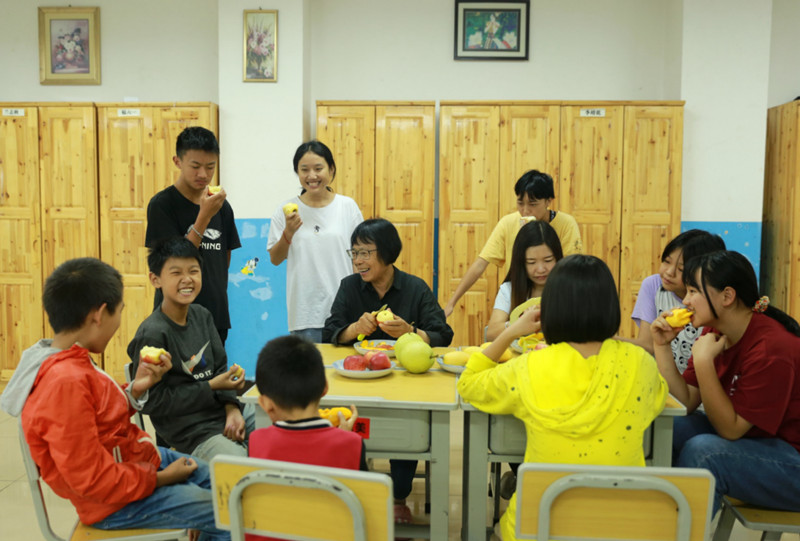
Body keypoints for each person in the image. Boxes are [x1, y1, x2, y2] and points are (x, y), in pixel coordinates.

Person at [1, 258, 229, 539]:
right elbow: (91, 479)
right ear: (99, 314)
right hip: (115, 504)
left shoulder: (72, 361)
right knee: (228, 511)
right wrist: (161, 479)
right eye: (119, 312)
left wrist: (136, 389)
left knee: (224, 482)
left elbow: (99, 416)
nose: (119, 322)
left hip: (134, 460)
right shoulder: (64, 382)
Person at [459, 255, 668, 541]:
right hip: (620, 529)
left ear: (550, 308)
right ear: (610, 306)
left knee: (500, 528)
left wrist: (511, 331)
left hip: (538, 527)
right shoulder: (640, 364)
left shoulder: (530, 366)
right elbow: (659, 395)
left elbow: (468, 384)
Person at [322, 218, 453, 525]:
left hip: (404, 380)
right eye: (354, 253)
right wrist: (354, 328)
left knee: (405, 421)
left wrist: (411, 331)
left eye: (365, 253)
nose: (358, 261)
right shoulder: (349, 287)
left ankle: (398, 495)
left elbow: (444, 334)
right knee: (350, 424)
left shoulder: (414, 287)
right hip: (357, 379)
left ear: (387, 253)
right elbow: (328, 332)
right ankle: (358, 491)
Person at [651, 250, 800, 514]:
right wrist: (661, 345)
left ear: (727, 296)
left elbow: (731, 430)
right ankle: (659, 521)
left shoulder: (772, 348)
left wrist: (705, 363)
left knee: (705, 453)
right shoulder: (715, 331)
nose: (685, 301)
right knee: (669, 427)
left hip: (791, 461)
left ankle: (680, 530)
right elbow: (684, 403)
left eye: (694, 291)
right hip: (758, 443)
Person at [127, 237, 254, 461]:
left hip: (220, 414)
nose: (187, 280)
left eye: (193, 271)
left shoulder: (202, 315)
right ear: (155, 280)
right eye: (176, 273)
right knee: (238, 464)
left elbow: (220, 367)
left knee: (283, 427)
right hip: (190, 432)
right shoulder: (153, 333)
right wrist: (212, 386)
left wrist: (231, 408)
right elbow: (153, 402)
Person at [247, 335, 364, 541]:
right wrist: (344, 436)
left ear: (265, 404)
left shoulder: (256, 441)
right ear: (325, 388)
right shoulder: (353, 444)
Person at [146, 126, 240, 345]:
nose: (204, 175)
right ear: (177, 162)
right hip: (175, 318)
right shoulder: (162, 205)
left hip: (215, 316)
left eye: (210, 167)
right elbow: (174, 263)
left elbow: (223, 261)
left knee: (215, 378)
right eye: (195, 166)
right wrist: (204, 217)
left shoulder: (222, 207)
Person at [444, 169, 582, 317]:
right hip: (519, 295)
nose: (525, 210)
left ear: (548, 201)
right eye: (520, 203)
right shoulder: (508, 223)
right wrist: (452, 302)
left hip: (557, 298)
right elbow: (480, 263)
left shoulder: (566, 223)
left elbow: (573, 269)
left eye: (533, 204)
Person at [268, 140, 363, 343]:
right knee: (308, 374)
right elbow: (275, 259)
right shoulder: (285, 209)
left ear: (331, 169)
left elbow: (361, 257)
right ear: (297, 173)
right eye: (304, 170)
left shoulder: (347, 207)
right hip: (305, 314)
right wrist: (288, 232)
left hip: (344, 311)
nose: (312, 176)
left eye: (318, 168)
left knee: (345, 372)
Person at [627, 229, 725, 372]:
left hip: (698, 382)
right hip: (663, 381)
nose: (669, 272)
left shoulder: (712, 300)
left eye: (681, 269)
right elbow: (647, 346)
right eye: (666, 261)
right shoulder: (653, 286)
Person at [485, 220, 563, 341]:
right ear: (521, 263)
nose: (541, 269)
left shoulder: (569, 288)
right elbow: (491, 334)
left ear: (558, 258)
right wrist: (519, 324)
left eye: (548, 260)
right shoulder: (509, 290)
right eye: (531, 262)